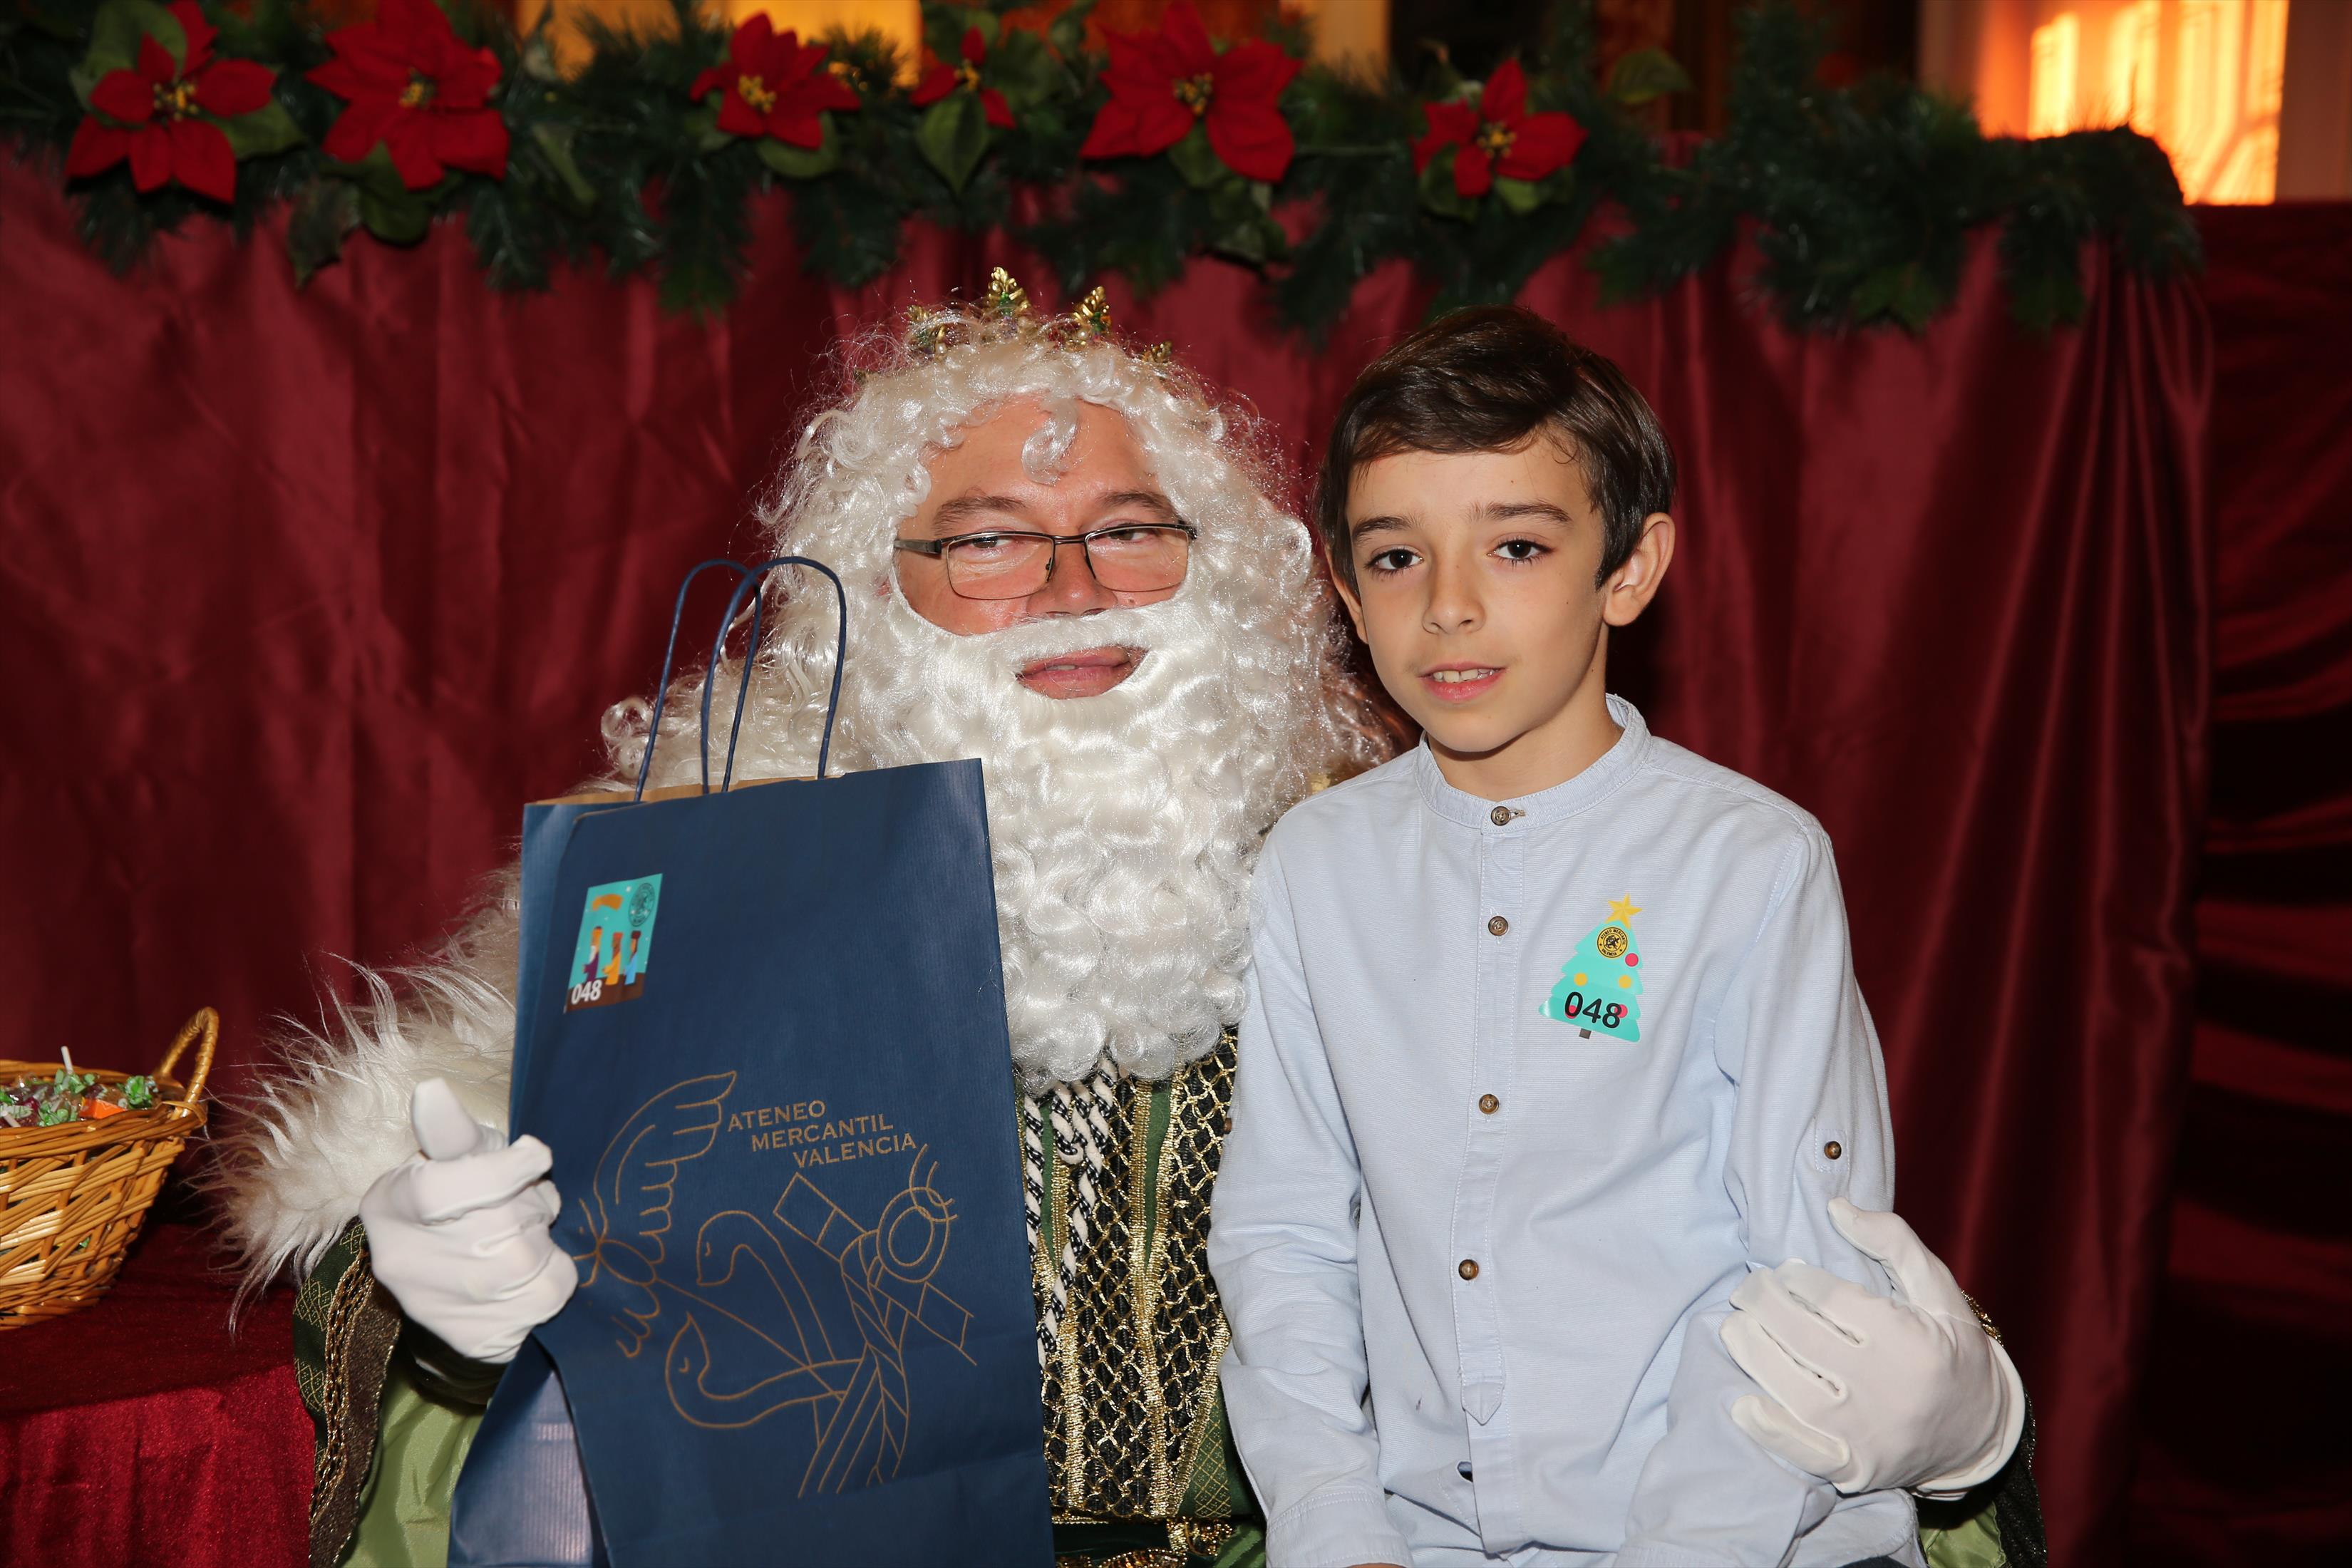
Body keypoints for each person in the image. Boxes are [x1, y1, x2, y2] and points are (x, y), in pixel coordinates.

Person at [217, 280, 2032, 1568]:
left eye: (1130, 531)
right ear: (874, 588)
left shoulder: (1353, 851)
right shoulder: (710, 876)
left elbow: (1710, 1236)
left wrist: (1972, 1418)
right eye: (987, 538)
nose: (1072, 589)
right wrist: (434, 1287)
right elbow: (503, 1264)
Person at [1209, 308, 2031, 1568]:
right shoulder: (1314, 867)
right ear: (1346, 590)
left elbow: (1807, 1272)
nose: (1449, 608)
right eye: (1397, 557)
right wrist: (1334, 1530)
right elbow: (1286, 1237)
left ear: (1632, 569)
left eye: (1517, 547)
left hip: (1744, 1539)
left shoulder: (1749, 861)